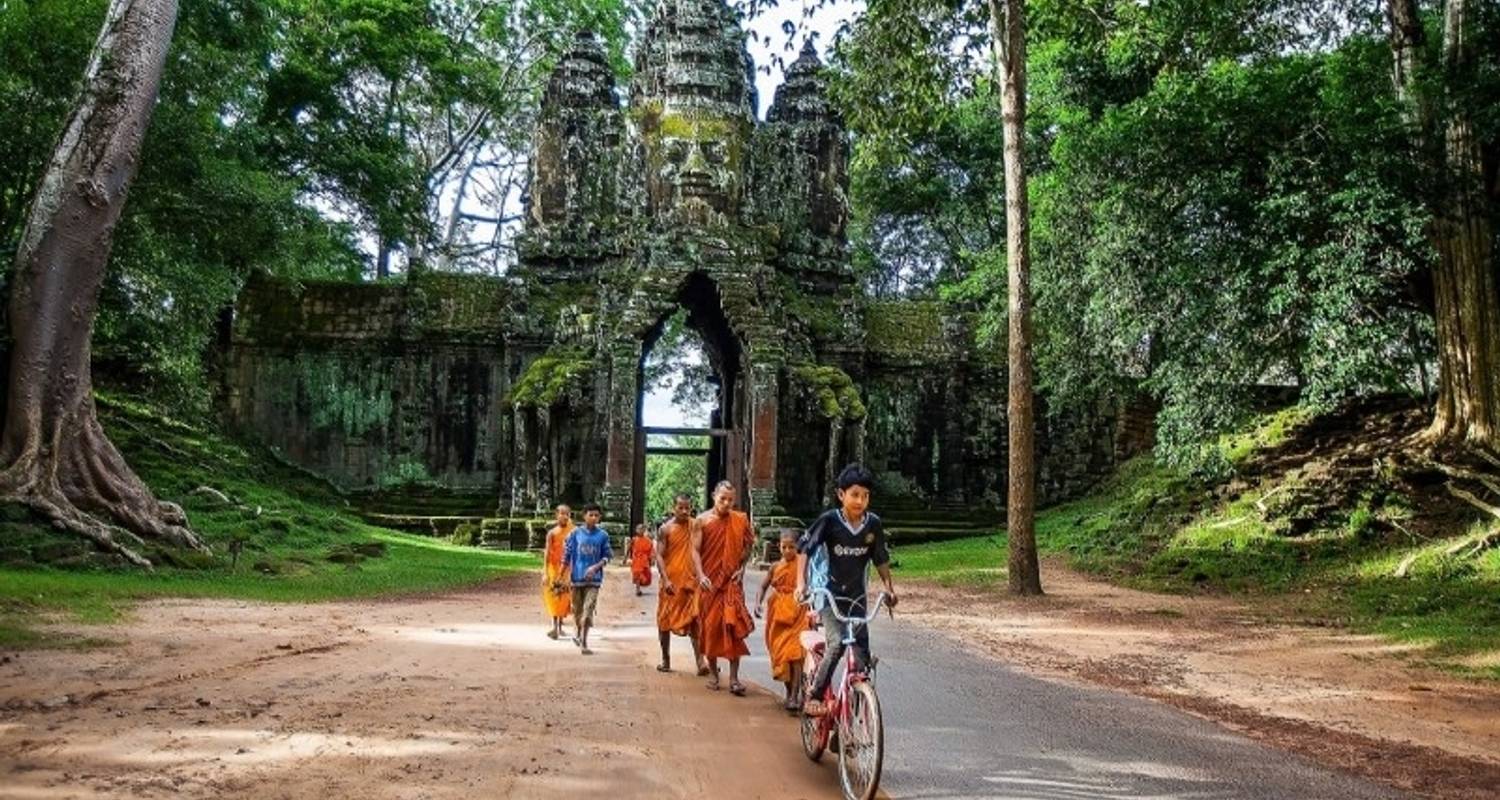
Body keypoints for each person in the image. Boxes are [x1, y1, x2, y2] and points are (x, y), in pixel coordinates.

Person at [796, 463, 897, 717]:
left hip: (857, 598)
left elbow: (881, 558)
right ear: (841, 495)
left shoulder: (873, 524)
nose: (860, 501)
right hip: (828, 595)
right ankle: (815, 695)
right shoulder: (829, 521)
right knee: (838, 643)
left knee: (862, 657)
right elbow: (803, 549)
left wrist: (889, 589)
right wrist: (801, 584)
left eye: (865, 496)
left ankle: (851, 718)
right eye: (854, 495)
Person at [692, 481, 756, 696]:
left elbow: (749, 544)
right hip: (709, 584)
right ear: (713, 496)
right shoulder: (701, 521)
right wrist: (700, 575)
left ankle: (735, 678)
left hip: (731, 583)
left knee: (733, 628)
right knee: (709, 629)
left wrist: (742, 568)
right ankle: (713, 673)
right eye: (723, 499)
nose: (727, 503)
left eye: (730, 500)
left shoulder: (740, 520)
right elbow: (695, 551)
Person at [755, 530, 808, 712]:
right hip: (777, 614)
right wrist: (757, 603)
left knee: (796, 655)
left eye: (791, 547)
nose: (787, 551)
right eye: (783, 547)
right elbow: (763, 586)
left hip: (798, 611)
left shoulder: (802, 565)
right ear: (779, 546)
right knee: (781, 655)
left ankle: (794, 695)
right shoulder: (775, 567)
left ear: (798, 547)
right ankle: (789, 692)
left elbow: (810, 586)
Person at [655, 494, 706, 674]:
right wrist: (666, 579)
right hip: (671, 583)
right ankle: (665, 659)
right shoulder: (665, 529)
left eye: (688, 508)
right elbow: (659, 555)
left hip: (690, 582)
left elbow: (699, 550)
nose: (685, 511)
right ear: (673, 507)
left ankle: (701, 662)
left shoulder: (695, 525)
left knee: (695, 620)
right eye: (681, 507)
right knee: (664, 621)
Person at [563, 503, 613, 655]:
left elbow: (607, 556)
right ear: (584, 516)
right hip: (577, 578)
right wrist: (562, 574)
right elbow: (567, 554)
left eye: (596, 515)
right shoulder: (575, 534)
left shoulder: (603, 536)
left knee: (588, 609)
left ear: (600, 518)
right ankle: (577, 632)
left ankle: (584, 641)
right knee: (577, 610)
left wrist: (595, 567)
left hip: (594, 580)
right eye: (590, 515)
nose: (593, 518)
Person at [541, 504, 574, 640]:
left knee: (565, 597)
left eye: (567, 514)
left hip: (567, 568)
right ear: (556, 515)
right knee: (554, 596)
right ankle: (555, 627)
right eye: (562, 513)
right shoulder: (552, 533)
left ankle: (560, 625)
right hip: (553, 568)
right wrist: (544, 571)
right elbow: (547, 552)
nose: (564, 516)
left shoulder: (574, 532)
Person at [629, 523, 654, 596]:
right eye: (639, 529)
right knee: (637, 573)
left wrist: (652, 559)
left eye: (642, 529)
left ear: (644, 530)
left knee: (644, 574)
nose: (640, 531)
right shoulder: (634, 539)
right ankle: (638, 589)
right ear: (636, 530)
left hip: (644, 559)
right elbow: (629, 549)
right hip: (636, 559)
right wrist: (625, 558)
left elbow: (651, 550)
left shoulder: (648, 540)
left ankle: (639, 586)